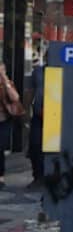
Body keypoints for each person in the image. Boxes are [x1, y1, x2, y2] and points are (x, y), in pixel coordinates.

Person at [0, 63, 24, 189]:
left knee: (0, 148)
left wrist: (5, 80)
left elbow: (15, 97)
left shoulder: (8, 84)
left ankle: (0, 177)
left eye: (3, 71)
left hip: (3, 120)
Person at [27, 56, 44, 187]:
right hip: (38, 116)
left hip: (56, 116)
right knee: (35, 145)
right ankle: (37, 176)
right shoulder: (38, 72)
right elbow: (30, 92)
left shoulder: (64, 71)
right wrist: (26, 111)